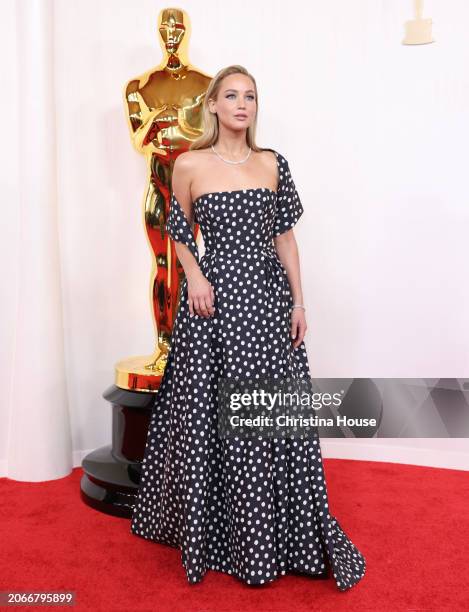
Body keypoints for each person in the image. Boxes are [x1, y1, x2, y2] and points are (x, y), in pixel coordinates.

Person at [130, 64, 366, 591]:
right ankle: (221, 533)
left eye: (251, 97)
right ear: (211, 105)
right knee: (212, 416)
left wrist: (299, 303)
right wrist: (194, 276)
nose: (242, 104)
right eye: (232, 96)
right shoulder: (189, 164)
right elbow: (178, 231)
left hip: (266, 302)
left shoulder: (272, 163)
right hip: (214, 305)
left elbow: (286, 240)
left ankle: (274, 536)